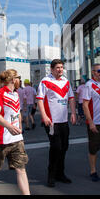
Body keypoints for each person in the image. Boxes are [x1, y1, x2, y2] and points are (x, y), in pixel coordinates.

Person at [0, 69, 30, 195]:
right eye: (19, 78)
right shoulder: (0, 93)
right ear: (13, 80)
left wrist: (20, 127)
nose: (20, 80)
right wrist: (9, 126)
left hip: (16, 139)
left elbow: (17, 113)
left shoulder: (15, 93)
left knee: (21, 169)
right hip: (0, 138)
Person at [37, 59, 77, 187]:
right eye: (58, 67)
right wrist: (44, 116)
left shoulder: (66, 81)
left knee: (64, 147)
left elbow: (71, 97)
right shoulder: (45, 81)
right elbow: (39, 100)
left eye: (61, 67)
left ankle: (60, 173)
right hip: (51, 122)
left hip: (64, 120)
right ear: (52, 69)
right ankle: (51, 175)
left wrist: (74, 113)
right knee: (56, 147)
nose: (60, 69)